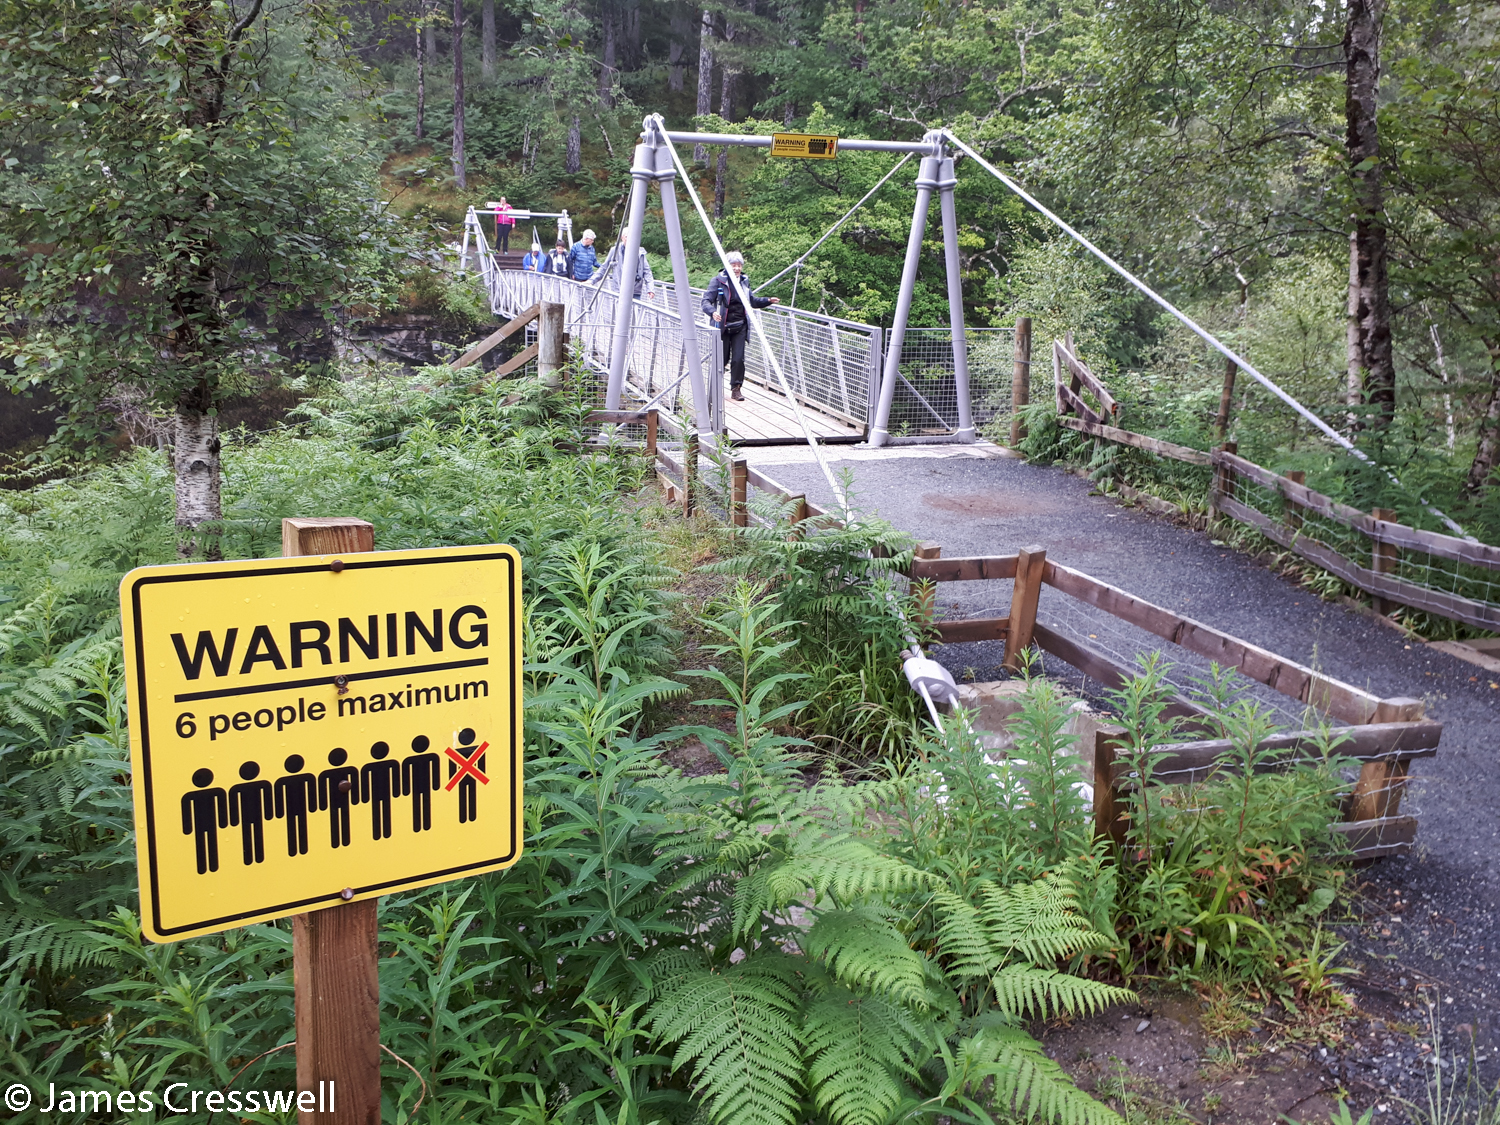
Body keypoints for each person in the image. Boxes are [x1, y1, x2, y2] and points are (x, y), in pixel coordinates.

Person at [700, 251, 780, 401]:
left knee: (738, 359)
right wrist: (712, 313)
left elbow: (751, 301)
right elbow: (705, 301)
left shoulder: (744, 281)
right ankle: (715, 388)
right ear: (727, 265)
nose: (737, 268)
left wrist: (768, 300)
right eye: (733, 265)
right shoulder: (718, 281)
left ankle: (736, 389)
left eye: (739, 265)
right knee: (721, 360)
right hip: (722, 326)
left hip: (740, 326)